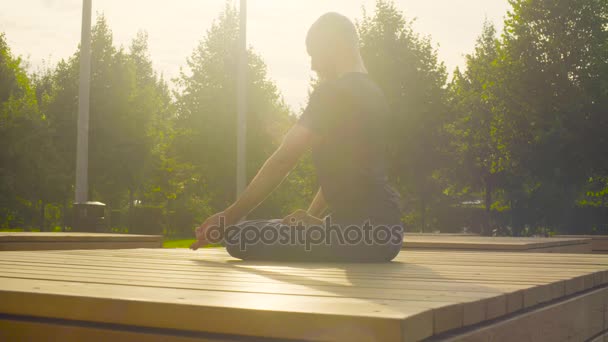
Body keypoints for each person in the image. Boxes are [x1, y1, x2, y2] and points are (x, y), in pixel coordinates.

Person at [190, 12, 403, 262]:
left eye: (314, 54)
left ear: (334, 46)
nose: (313, 65)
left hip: (354, 236)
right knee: (275, 227)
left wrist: (228, 217)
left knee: (239, 235)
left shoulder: (332, 95)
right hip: (386, 235)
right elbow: (348, 169)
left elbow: (283, 160)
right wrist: (311, 216)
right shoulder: (376, 95)